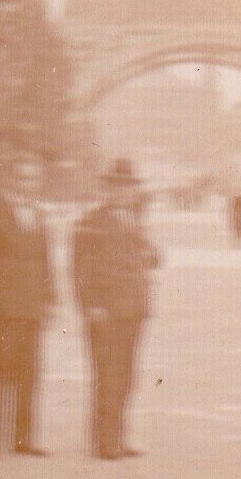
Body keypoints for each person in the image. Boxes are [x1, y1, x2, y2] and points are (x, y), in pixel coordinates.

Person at [71, 158, 161, 460]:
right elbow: (80, 267)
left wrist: (149, 248)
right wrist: (90, 305)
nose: (123, 192)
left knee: (126, 376)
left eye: (128, 187)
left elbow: (154, 258)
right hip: (106, 311)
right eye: (117, 186)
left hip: (133, 310)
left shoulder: (136, 221)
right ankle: (103, 441)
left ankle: (119, 437)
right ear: (107, 189)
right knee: (107, 376)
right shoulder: (91, 221)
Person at [0, 153, 57, 459]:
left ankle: (22, 439)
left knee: (29, 373)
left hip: (32, 308)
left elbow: (45, 261)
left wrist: (50, 298)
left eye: (33, 178)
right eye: (23, 177)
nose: (28, 184)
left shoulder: (39, 215)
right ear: (10, 179)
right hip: (4, 309)